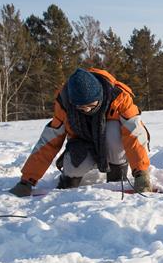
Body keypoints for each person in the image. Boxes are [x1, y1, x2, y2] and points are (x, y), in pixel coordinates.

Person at [9, 68, 152, 197]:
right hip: (82, 143)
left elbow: (135, 134)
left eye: (91, 105)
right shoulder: (64, 103)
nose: (87, 110)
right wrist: (26, 181)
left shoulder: (119, 97)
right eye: (82, 107)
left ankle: (116, 176)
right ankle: (69, 179)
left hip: (112, 144)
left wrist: (141, 173)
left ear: (100, 97)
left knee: (114, 131)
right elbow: (49, 142)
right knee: (74, 167)